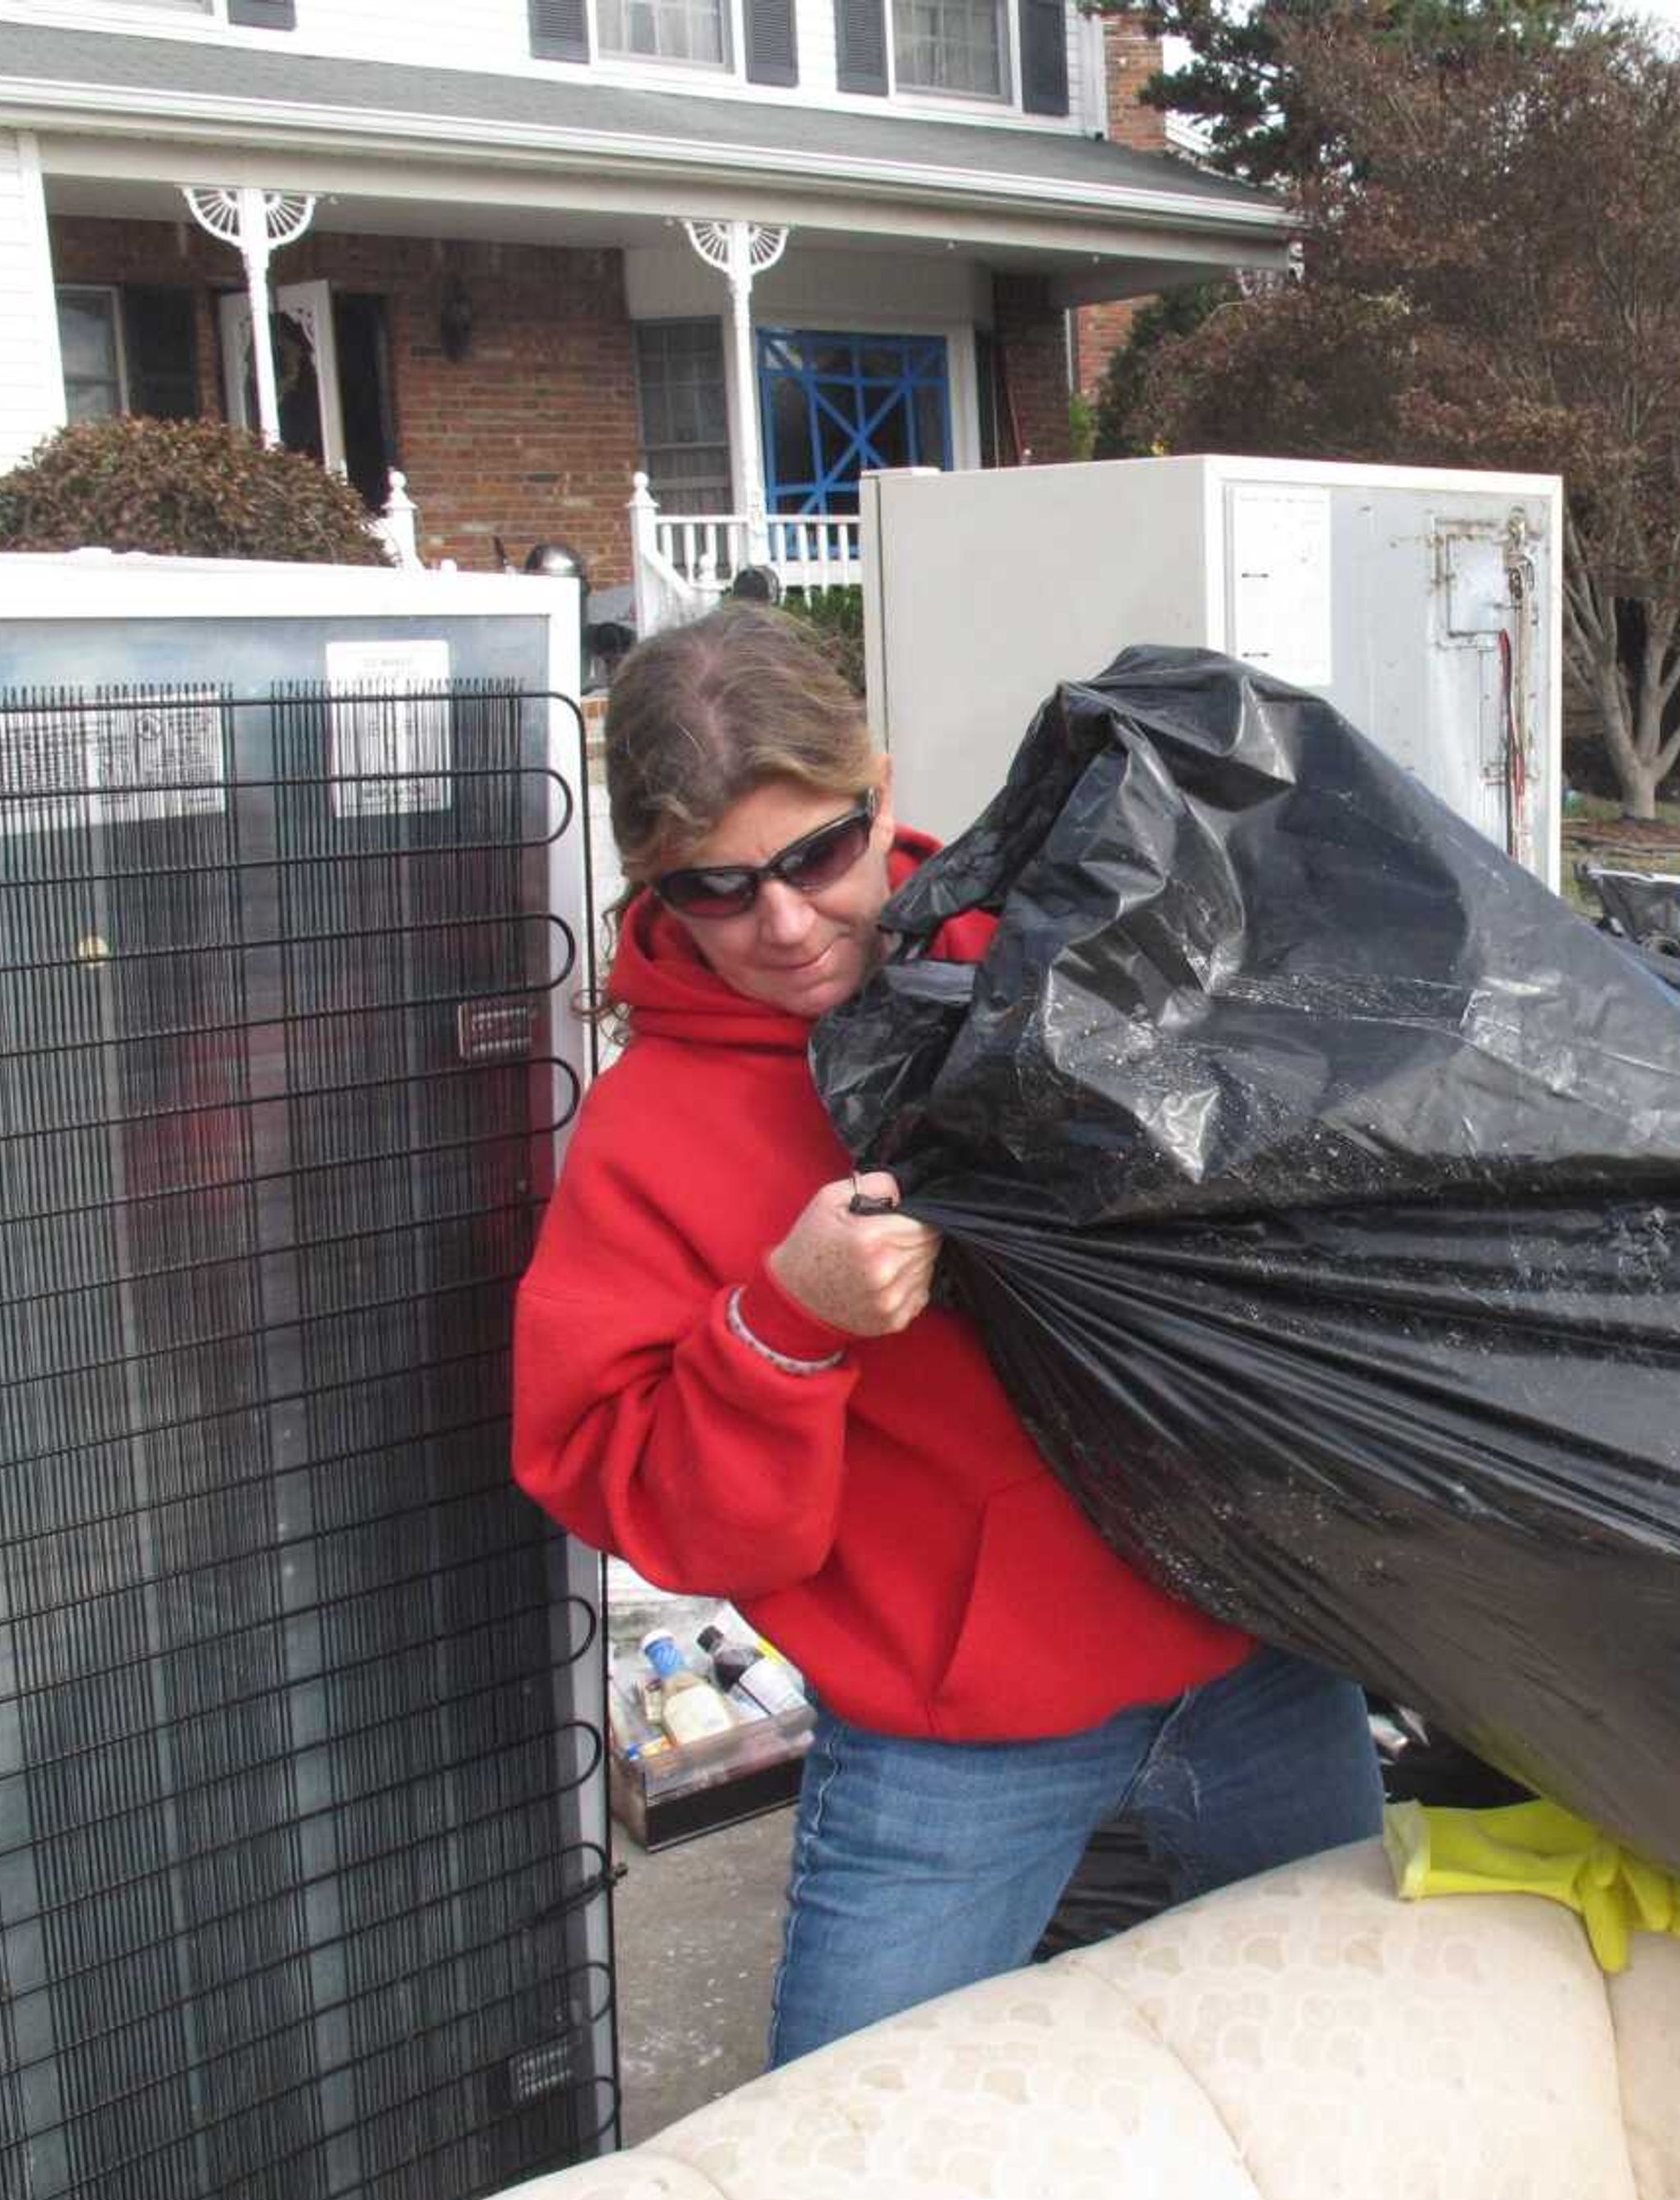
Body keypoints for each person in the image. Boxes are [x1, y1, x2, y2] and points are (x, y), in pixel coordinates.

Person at [513, 604, 1384, 2064]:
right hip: (956, 1742)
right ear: (651, 886)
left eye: (817, 856)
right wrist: (783, 1325)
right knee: (831, 2165)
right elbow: (638, 1489)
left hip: (1259, 1660)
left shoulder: (1066, 948)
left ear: (887, 793)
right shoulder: (641, 1144)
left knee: (1339, 2062)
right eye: (717, 891)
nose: (785, 926)